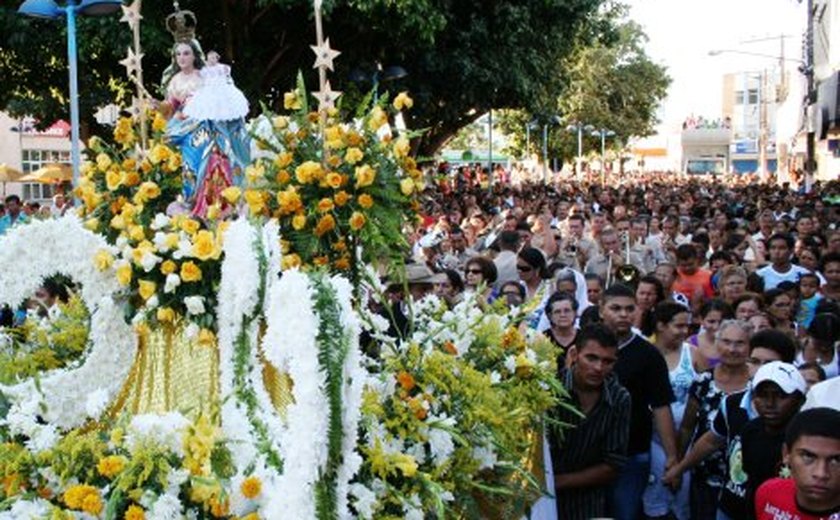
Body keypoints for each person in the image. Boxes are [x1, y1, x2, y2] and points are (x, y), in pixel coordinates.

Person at [599, 283, 677, 520]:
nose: (623, 314)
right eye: (616, 308)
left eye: (629, 309)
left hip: (632, 453)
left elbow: (661, 406)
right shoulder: (586, 346)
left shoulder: (649, 355)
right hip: (589, 453)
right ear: (601, 309)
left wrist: (672, 457)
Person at [548, 324, 631, 520]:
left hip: (589, 501)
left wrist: (558, 481)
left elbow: (613, 465)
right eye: (591, 358)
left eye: (607, 361)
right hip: (542, 496)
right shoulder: (550, 391)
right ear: (575, 354)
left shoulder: (619, 398)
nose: (598, 368)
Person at [161, 35, 250, 219]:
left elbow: (218, 99)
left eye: (186, 53)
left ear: (194, 56)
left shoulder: (204, 76)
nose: (182, 58)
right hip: (186, 130)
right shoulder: (174, 81)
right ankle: (191, 200)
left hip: (205, 127)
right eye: (178, 54)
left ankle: (219, 202)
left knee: (216, 161)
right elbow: (171, 108)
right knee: (191, 165)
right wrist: (159, 106)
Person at [675, 320, 753, 520]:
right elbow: (686, 427)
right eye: (726, 342)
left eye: (739, 343)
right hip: (705, 473)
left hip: (744, 479)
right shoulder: (703, 381)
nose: (732, 349)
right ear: (717, 344)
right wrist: (677, 464)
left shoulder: (758, 384)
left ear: (749, 346)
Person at [716, 361, 807, 520]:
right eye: (762, 395)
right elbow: (752, 482)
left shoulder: (806, 439)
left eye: (780, 395)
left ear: (799, 399)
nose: (770, 403)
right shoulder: (750, 431)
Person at [644, 301, 694, 520]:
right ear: (661, 326)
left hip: (688, 441)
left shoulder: (693, 355)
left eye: (687, 326)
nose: (685, 332)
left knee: (683, 495)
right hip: (652, 440)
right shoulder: (644, 352)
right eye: (679, 326)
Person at [754, 407, 840, 520]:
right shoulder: (769, 493)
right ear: (786, 454)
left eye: (836, 460)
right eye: (808, 456)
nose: (821, 473)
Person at [688, 299, 734, 372]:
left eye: (722, 322)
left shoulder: (737, 343)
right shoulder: (690, 344)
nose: (716, 326)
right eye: (711, 321)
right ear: (701, 320)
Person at [543, 292, 578, 362]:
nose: (562, 315)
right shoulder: (542, 338)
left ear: (575, 313)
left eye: (567, 311)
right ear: (550, 316)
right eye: (557, 312)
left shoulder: (584, 338)